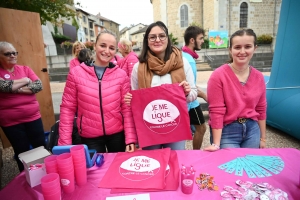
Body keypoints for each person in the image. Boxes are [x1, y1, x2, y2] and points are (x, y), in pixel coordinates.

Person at [58, 30, 136, 153]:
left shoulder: (121, 75)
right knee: (95, 171)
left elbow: (126, 108)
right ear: (95, 46)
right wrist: (64, 143)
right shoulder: (76, 73)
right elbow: (68, 108)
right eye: (103, 45)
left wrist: (130, 138)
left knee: (117, 169)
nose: (107, 51)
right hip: (90, 136)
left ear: (116, 50)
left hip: (117, 134)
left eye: (112, 48)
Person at [125, 21, 198, 150]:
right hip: (150, 127)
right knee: (154, 164)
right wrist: (132, 100)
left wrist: (187, 92)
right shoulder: (138, 68)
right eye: (152, 37)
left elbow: (193, 93)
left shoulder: (182, 62)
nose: (157, 40)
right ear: (147, 41)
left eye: (161, 36)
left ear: (167, 38)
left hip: (176, 125)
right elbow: (135, 96)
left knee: (176, 160)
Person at [205, 29, 267, 151]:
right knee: (230, 167)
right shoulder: (218, 76)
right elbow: (216, 111)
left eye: (248, 46)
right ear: (230, 49)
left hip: (252, 130)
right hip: (227, 130)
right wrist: (216, 144)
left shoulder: (259, 77)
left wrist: (263, 138)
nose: (242, 51)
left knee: (250, 166)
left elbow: (261, 108)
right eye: (237, 47)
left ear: (255, 48)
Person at [0, 41, 45, 172]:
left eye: (14, 53)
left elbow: (38, 86)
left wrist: (15, 89)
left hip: (33, 117)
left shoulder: (25, 69)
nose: (13, 55)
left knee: (40, 147)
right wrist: (25, 81)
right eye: (8, 54)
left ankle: (43, 173)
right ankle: (25, 178)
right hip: (11, 122)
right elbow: (4, 86)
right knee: (22, 151)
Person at [182, 26, 207, 150]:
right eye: (201, 38)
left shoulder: (183, 55)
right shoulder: (189, 60)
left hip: (188, 100)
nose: (203, 41)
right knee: (201, 128)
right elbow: (192, 86)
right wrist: (205, 96)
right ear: (192, 40)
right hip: (191, 102)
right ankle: (195, 154)